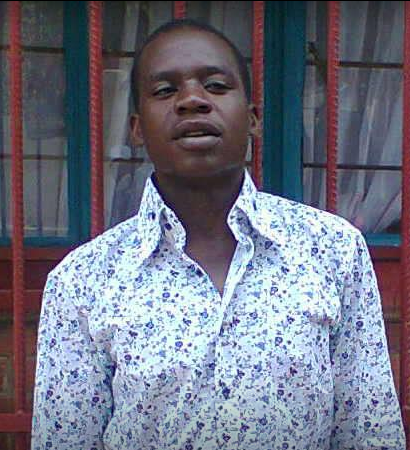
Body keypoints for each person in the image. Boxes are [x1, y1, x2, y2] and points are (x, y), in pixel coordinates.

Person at [31, 19, 406, 450]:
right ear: (136, 128)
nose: (192, 100)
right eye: (165, 90)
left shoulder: (333, 249)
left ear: (253, 119)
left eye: (215, 85)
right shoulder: (82, 281)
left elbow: (370, 430)